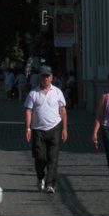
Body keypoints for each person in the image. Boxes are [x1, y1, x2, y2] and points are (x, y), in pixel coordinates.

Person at [24, 64, 68, 194]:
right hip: (38, 130)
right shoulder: (33, 93)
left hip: (54, 128)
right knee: (40, 157)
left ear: (52, 77)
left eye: (48, 76)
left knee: (52, 158)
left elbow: (63, 111)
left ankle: (50, 184)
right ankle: (40, 177)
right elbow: (28, 111)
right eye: (43, 76)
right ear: (39, 77)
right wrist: (27, 128)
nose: (46, 79)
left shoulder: (57, 92)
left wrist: (64, 129)